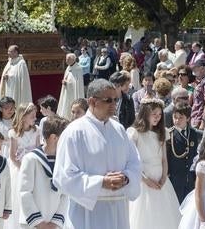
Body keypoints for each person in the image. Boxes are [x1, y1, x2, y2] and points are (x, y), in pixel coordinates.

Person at [53, 79, 141, 229]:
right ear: (93, 102)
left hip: (119, 210)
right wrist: (101, 182)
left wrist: (126, 178)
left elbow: (135, 163)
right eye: (108, 100)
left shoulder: (119, 130)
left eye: (115, 100)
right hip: (87, 213)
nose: (114, 104)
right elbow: (62, 176)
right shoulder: (74, 132)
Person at [127, 98, 181, 228]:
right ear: (145, 113)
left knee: (165, 215)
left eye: (159, 115)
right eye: (154, 114)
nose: (157, 118)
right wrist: (145, 180)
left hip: (160, 179)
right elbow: (131, 160)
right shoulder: (135, 133)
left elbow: (164, 159)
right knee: (145, 216)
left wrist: (163, 176)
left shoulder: (162, 133)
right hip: (143, 179)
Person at [19, 116, 68, 228]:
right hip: (33, 223)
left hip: (55, 224)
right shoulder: (31, 159)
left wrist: (55, 222)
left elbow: (65, 194)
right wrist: (39, 223)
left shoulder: (63, 160)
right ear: (53, 137)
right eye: (65, 136)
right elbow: (25, 192)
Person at [7, 102, 40, 229]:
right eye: (32, 116)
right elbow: (12, 156)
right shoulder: (14, 133)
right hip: (19, 168)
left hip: (34, 167)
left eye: (35, 115)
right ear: (23, 116)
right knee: (19, 195)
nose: (35, 118)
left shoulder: (37, 131)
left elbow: (38, 150)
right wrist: (23, 168)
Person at [166, 102, 202, 204]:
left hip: (190, 177)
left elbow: (194, 154)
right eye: (175, 117)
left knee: (189, 204)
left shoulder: (193, 133)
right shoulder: (170, 134)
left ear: (188, 118)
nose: (177, 120)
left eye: (181, 117)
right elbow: (167, 156)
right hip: (176, 177)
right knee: (177, 204)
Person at [0, 45, 33, 111]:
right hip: (8, 89)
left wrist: (10, 77)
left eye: (10, 51)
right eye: (8, 51)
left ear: (16, 52)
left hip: (16, 91)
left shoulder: (21, 63)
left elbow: (21, 80)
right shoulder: (9, 62)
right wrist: (6, 76)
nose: (8, 53)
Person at [57, 53, 85, 120]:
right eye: (66, 59)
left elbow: (77, 83)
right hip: (67, 91)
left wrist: (68, 83)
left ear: (73, 59)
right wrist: (64, 81)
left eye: (68, 59)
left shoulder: (78, 69)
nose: (66, 61)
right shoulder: (68, 67)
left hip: (73, 92)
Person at [190, 59, 205, 129]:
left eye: (195, 67)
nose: (193, 69)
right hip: (195, 119)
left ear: (202, 68)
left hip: (199, 120)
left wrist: (203, 121)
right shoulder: (201, 82)